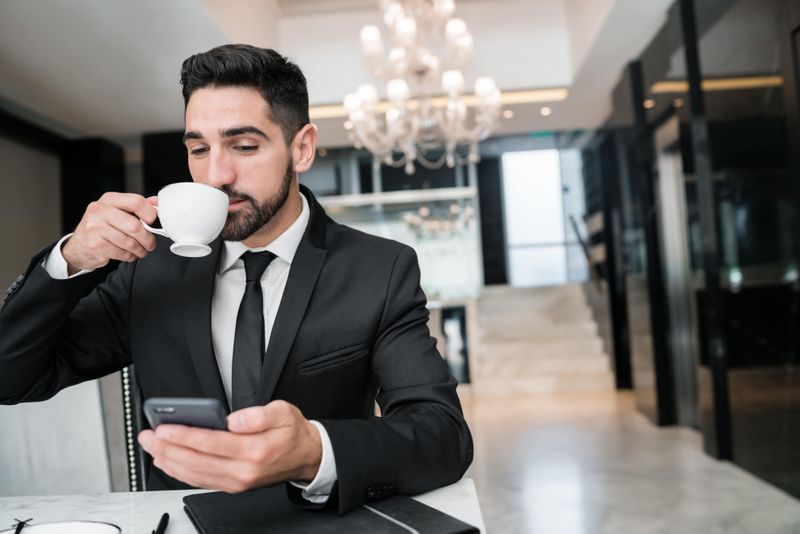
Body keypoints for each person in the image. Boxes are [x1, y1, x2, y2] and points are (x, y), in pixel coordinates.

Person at [0, 44, 473, 513]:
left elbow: (441, 433)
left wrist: (313, 451)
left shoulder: (379, 268)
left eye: (243, 146)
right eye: (199, 149)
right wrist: (72, 259)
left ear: (301, 147)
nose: (215, 175)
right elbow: (10, 378)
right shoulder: (150, 266)